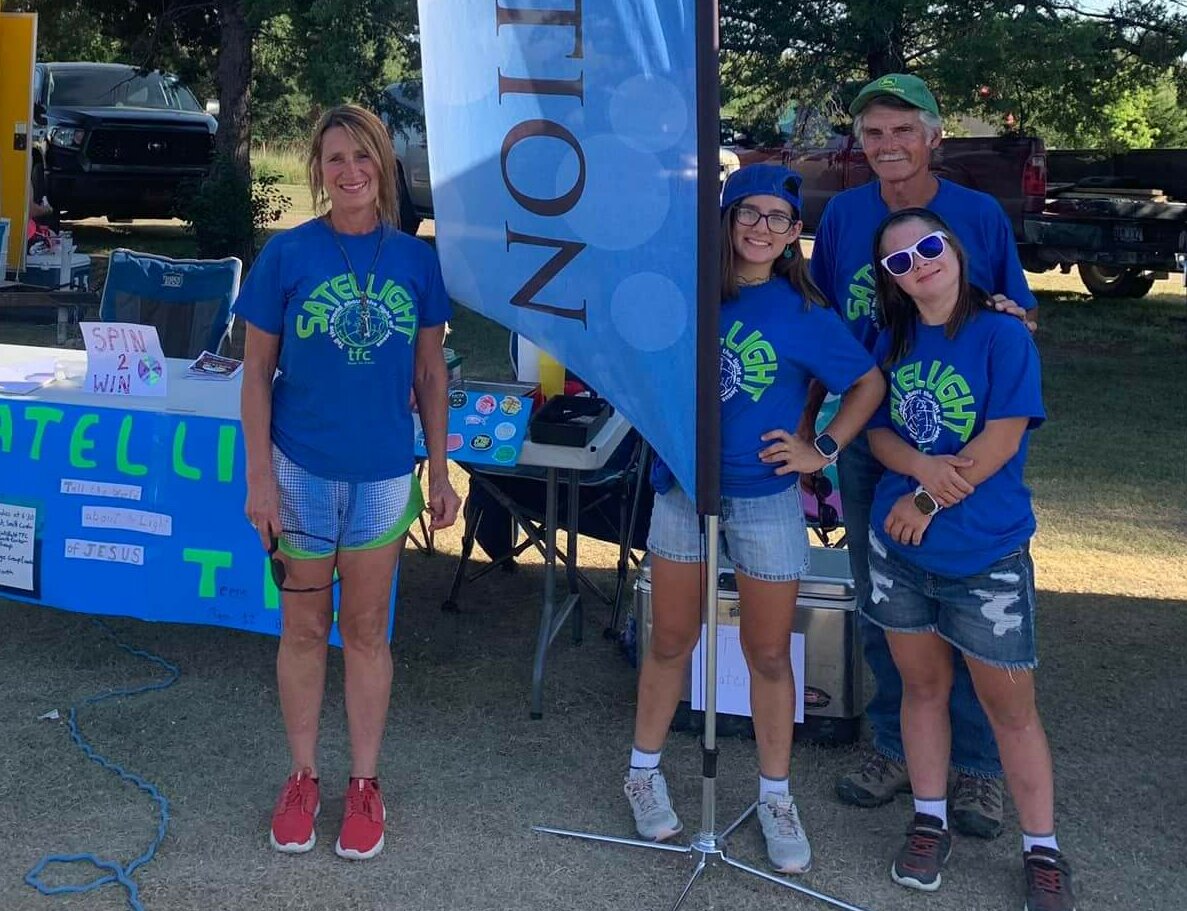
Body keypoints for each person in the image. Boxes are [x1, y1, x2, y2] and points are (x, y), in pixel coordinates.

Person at [624, 163, 885, 873]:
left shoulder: (802, 311)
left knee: (768, 653)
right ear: (726, 218)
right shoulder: (688, 293)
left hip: (766, 497)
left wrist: (820, 448)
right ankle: (643, 771)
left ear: (794, 231)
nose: (760, 228)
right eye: (747, 212)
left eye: (777, 217)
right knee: (670, 638)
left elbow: (867, 381)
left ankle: (775, 795)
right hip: (684, 491)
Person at [805, 73, 1038, 839]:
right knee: (886, 602)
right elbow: (826, 325)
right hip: (872, 436)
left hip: (957, 448)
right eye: (872, 133)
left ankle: (976, 767)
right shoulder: (844, 215)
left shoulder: (975, 215)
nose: (888, 145)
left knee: (969, 607)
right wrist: (813, 428)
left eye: (903, 130)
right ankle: (893, 744)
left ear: (934, 136)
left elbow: (1016, 314)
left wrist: (1008, 315)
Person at [236, 104, 460, 861]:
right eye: (335, 158)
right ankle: (302, 776)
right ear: (318, 169)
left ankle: (364, 782)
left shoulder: (416, 260)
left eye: (363, 156)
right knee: (303, 630)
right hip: (298, 469)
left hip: (383, 476)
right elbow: (255, 374)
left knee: (365, 632)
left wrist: (440, 470)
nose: (351, 171)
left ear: (384, 166)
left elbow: (430, 373)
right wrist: (259, 478)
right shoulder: (287, 254)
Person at [865, 208, 1074, 910]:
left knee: (1009, 708)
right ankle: (929, 819)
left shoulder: (1002, 334)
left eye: (928, 247)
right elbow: (879, 433)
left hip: (983, 553)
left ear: (953, 249)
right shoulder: (891, 337)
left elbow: (1002, 437)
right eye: (899, 261)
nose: (918, 264)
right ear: (890, 279)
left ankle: (1041, 849)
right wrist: (918, 469)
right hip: (900, 551)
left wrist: (925, 499)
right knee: (921, 688)